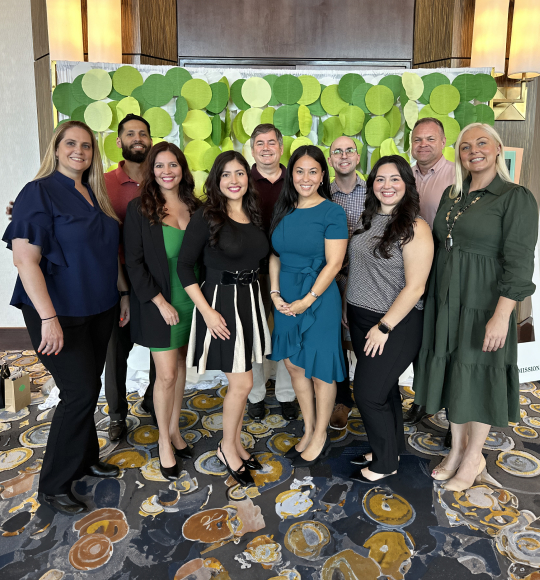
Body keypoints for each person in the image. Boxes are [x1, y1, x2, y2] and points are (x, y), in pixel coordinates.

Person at [2, 121, 125, 515]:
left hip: (98, 305)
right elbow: (25, 259)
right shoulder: (37, 191)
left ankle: (85, 457)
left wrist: (121, 293)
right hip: (57, 311)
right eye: (70, 144)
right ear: (56, 149)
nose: (79, 151)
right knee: (79, 392)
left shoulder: (94, 193)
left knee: (91, 385)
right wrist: (48, 318)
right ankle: (53, 485)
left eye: (86, 146)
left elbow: (109, 251)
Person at [413, 123, 538, 492]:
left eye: (482, 143)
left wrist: (502, 316)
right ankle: (456, 450)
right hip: (448, 298)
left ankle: (473, 457)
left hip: (484, 303)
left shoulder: (516, 197)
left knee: (478, 373)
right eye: (466, 146)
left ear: (498, 149)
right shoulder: (455, 195)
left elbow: (519, 262)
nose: (473, 151)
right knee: (454, 371)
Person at [178, 151, 271, 488]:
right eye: (226, 174)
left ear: (248, 178)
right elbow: (184, 266)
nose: (234, 180)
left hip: (249, 300)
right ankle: (226, 448)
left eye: (240, 174)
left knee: (243, 383)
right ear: (216, 181)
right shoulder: (206, 216)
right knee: (242, 383)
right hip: (220, 303)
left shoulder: (252, 212)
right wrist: (206, 311)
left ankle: (234, 442)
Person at [344, 155, 434, 482]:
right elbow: (359, 271)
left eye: (394, 179)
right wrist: (348, 306)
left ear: (406, 184)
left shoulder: (415, 227)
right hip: (360, 317)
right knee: (385, 390)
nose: (387, 186)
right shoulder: (367, 221)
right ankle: (390, 448)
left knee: (368, 393)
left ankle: (385, 464)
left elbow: (416, 287)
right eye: (380, 179)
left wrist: (384, 326)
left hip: (395, 323)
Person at [124, 141, 201, 480]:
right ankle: (163, 444)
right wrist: (159, 302)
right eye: (160, 166)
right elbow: (135, 264)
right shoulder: (139, 209)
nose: (167, 171)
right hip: (161, 302)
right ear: (151, 171)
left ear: (182, 169)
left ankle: (175, 431)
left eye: (173, 165)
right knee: (166, 374)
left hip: (192, 300)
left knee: (182, 366)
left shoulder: (195, 207)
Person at [269, 145, 348, 467]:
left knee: (320, 369)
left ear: (322, 176)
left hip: (318, 299)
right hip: (285, 297)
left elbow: (334, 263)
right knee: (294, 366)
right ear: (291, 175)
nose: (305, 177)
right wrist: (275, 294)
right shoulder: (283, 209)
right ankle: (309, 426)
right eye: (299, 171)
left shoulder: (333, 212)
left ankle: (320, 434)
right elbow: (274, 254)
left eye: (312, 171)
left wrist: (307, 300)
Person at [103, 113, 157, 441]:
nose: (138, 138)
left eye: (143, 133)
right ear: (120, 141)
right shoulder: (104, 182)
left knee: (160, 347)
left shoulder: (163, 177)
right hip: (117, 281)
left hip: (155, 280)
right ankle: (116, 414)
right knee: (116, 351)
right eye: (130, 133)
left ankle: (153, 398)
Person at [404, 117, 455, 430]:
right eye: (417, 140)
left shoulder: (457, 176)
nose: (423, 145)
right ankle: (422, 399)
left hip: (443, 270)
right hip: (407, 272)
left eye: (430, 139)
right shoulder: (404, 176)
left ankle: (452, 412)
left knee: (445, 340)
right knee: (417, 339)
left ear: (443, 141)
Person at [247, 124, 297, 422]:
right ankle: (255, 394)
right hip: (250, 271)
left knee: (286, 332)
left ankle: (286, 393)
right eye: (259, 143)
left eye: (271, 142)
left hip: (288, 269)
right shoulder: (242, 179)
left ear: (281, 147)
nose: (266, 148)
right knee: (254, 333)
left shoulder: (294, 181)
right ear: (252, 149)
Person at [326, 136, 367, 430]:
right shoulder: (321, 193)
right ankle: (342, 399)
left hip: (367, 278)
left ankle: (368, 396)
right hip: (330, 278)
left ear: (357, 156)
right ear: (330, 160)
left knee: (366, 341)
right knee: (334, 343)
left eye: (349, 149)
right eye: (337, 151)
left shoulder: (375, 191)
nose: (343, 155)